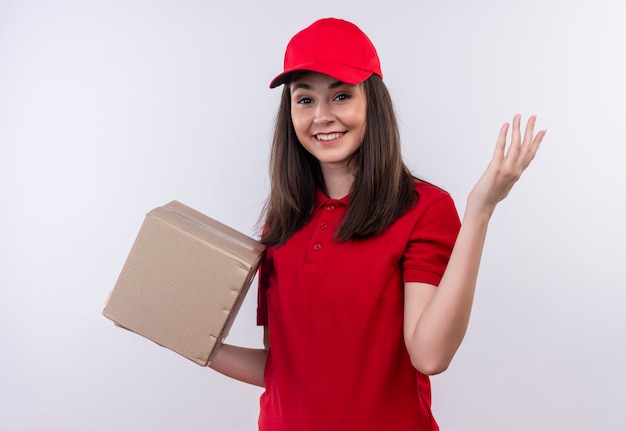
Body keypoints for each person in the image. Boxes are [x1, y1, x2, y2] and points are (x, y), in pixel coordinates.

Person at [209, 17, 546, 431]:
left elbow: (430, 356)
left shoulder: (424, 210)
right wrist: (195, 340)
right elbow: (282, 371)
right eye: (305, 99)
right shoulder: (283, 222)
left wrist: (480, 209)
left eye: (341, 96)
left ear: (373, 102)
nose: (322, 116)